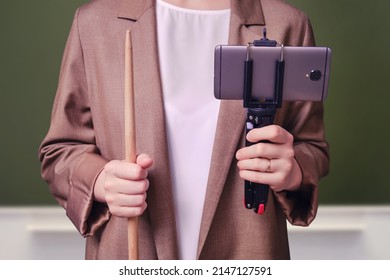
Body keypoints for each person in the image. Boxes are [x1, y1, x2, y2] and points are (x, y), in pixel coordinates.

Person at [39, 0, 329, 260]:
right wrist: (101, 180)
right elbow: (60, 151)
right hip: (130, 255)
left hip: (248, 256)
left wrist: (293, 171)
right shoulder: (94, 23)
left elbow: (312, 148)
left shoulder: (287, 24)